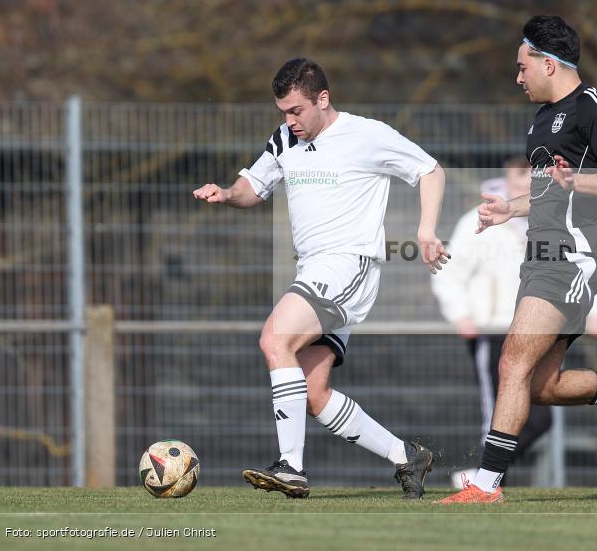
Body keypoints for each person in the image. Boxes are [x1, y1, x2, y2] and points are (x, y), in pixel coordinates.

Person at [438, 15, 597, 504]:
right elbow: (551, 191)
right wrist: (511, 208)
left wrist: (575, 182)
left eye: (522, 67)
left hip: (574, 255)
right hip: (541, 256)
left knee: (512, 361)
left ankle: (486, 485)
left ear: (549, 63)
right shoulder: (541, 120)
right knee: (541, 386)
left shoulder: (594, 106)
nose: (517, 77)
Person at [192, 58, 450, 499]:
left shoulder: (365, 134)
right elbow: (253, 187)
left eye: (296, 111)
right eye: (283, 113)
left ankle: (291, 466)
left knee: (275, 339)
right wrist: (226, 193)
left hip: (349, 265)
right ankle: (407, 456)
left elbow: (430, 170)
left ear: (322, 99)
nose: (289, 121)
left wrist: (426, 229)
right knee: (313, 393)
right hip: (315, 270)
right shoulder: (283, 140)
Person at [432, 158, 597, 487]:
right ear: (505, 176)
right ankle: (483, 477)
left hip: (540, 327)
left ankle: (484, 476)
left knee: (540, 415)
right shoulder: (481, 217)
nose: (526, 180)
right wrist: (460, 314)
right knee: (498, 412)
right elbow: (450, 273)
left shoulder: (558, 217)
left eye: (534, 173)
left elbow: (581, 264)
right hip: (495, 331)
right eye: (520, 174)